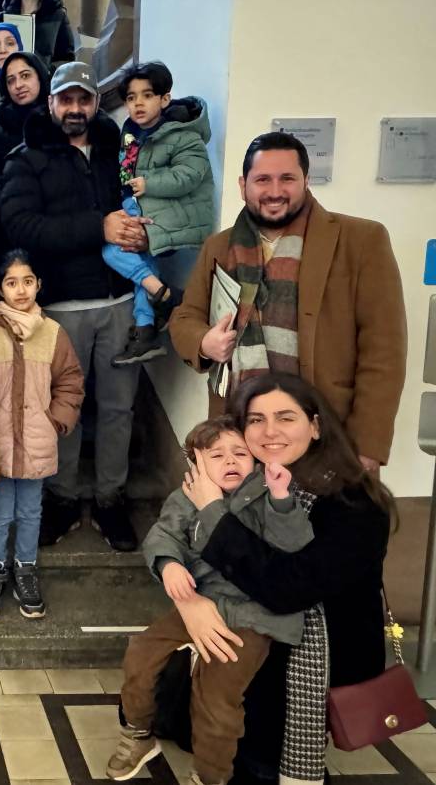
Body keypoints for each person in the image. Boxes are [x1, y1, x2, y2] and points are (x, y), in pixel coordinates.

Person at [175, 373, 395, 784]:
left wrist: (213, 516)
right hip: (249, 637)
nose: (269, 431)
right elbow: (178, 548)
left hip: (314, 661)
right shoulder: (243, 483)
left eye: (285, 417)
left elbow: (287, 589)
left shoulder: (355, 503)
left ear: (315, 425)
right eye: (255, 420)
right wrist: (191, 604)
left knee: (257, 756)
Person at [169, 130, 408, 474]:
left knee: (327, 528)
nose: (275, 191)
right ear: (243, 185)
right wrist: (204, 342)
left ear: (306, 181)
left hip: (326, 431)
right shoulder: (220, 247)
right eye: (263, 179)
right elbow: (184, 318)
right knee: (244, 527)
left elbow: (384, 353)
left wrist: (367, 447)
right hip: (240, 432)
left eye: (287, 179)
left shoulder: (361, 240)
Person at [107, 414, 313, 785]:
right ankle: (138, 733)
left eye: (239, 453)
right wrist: (169, 564)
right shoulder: (187, 495)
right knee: (141, 653)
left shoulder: (267, 495)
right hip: (202, 601)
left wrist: (282, 499)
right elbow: (164, 534)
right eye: (216, 456)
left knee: (216, 695)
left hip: (254, 613)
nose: (231, 461)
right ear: (196, 462)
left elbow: (294, 547)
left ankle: (210, 775)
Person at [0, 61, 148, 551]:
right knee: (61, 407)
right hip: (62, 305)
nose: (76, 109)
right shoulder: (27, 159)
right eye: (67, 100)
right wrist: (96, 227)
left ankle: (110, 498)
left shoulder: (119, 152)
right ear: (51, 103)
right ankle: (61, 497)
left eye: (84, 99)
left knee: (118, 406)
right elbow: (21, 225)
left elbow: (145, 204)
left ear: (96, 103)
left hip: (123, 300)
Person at [0, 250, 84, 620]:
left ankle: (26, 569)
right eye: (12, 283)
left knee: (32, 510)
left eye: (28, 282)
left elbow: (70, 380)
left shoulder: (53, 333)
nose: (21, 290)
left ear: (39, 285)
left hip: (36, 439)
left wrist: (56, 420)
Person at [101, 61, 213, 365]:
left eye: (147, 95)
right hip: (139, 209)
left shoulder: (183, 135)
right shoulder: (132, 132)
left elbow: (191, 174)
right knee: (143, 274)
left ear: (165, 99)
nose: (138, 103)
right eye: (131, 97)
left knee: (112, 250)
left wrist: (149, 184)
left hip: (163, 216)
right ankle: (147, 329)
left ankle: (167, 298)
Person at [0, 51, 50, 167]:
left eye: (25, 76)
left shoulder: (58, 121)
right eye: (11, 80)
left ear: (40, 77)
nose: (18, 85)